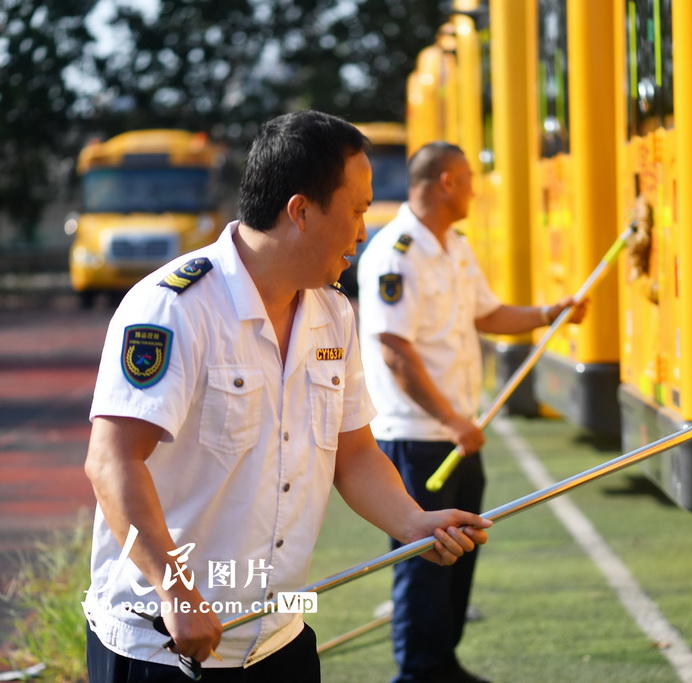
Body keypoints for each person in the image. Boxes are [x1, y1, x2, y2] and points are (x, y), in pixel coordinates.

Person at [82, 112, 492, 682]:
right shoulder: (174, 307)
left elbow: (354, 454)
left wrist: (413, 523)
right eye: (357, 211)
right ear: (300, 211)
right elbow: (111, 460)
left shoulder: (333, 315)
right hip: (166, 645)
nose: (363, 232)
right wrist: (177, 593)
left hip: (279, 635)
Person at [357, 142, 588, 683]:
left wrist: (552, 313)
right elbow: (395, 350)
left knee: (458, 558)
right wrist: (454, 420)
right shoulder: (398, 251)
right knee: (423, 564)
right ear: (444, 183)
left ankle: (442, 664)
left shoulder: (454, 246)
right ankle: (417, 673)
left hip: (458, 433)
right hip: (419, 437)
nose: (475, 189)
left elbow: (489, 313)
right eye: (467, 178)